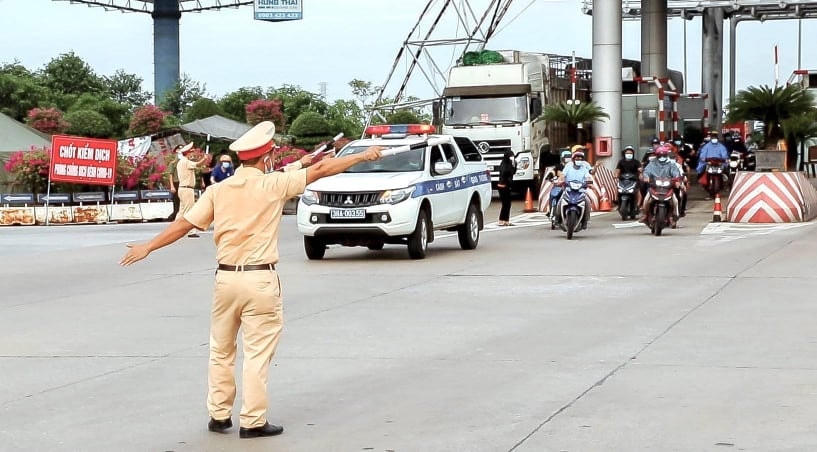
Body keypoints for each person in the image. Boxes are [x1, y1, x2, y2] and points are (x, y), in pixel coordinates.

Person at [120, 121, 384, 439]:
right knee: (256, 353)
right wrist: (362, 156)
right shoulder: (272, 185)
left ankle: (219, 415)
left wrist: (147, 247)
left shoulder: (219, 190)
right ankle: (252, 421)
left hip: (225, 280)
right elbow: (323, 169)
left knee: (220, 349)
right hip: (259, 279)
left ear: (242, 158)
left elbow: (183, 225)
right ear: (267, 156)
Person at [173, 142, 210, 238]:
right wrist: (204, 159)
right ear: (188, 153)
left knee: (182, 210)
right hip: (187, 189)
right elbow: (198, 165)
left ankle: (174, 228)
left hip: (182, 188)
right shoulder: (185, 162)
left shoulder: (181, 162)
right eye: (191, 152)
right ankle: (191, 231)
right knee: (189, 210)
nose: (192, 154)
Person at [641, 145, 682, 226]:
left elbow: (676, 173)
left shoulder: (671, 164)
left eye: (664, 155)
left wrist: (677, 180)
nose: (662, 157)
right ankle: (645, 215)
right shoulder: (652, 163)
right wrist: (646, 177)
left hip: (668, 187)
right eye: (660, 155)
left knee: (675, 201)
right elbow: (646, 171)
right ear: (657, 155)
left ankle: (673, 216)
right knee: (646, 200)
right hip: (654, 186)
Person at [556, 146, 594, 228]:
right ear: (573, 159)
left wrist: (590, 183)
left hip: (581, 191)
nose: (579, 160)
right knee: (560, 202)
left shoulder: (584, 168)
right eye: (577, 159)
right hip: (568, 189)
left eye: (580, 159)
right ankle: (557, 219)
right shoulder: (568, 166)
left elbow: (588, 176)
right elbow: (562, 175)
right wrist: (560, 181)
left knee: (587, 202)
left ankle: (585, 221)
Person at [497, 150, 516, 226]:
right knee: (505, 204)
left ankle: (506, 220)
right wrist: (511, 167)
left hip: (507, 186)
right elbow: (506, 172)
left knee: (508, 204)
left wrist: (514, 165)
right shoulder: (504, 164)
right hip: (503, 186)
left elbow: (513, 172)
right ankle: (501, 220)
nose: (512, 157)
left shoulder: (510, 163)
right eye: (511, 156)